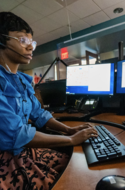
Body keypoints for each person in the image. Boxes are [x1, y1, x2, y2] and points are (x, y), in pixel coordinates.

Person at [0, 12, 98, 190]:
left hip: (20, 151)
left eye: (32, 42)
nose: (31, 48)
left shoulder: (22, 80)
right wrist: (70, 140)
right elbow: (17, 134)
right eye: (23, 41)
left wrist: (68, 130)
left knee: (75, 164)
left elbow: (38, 114)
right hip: (4, 158)